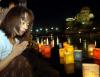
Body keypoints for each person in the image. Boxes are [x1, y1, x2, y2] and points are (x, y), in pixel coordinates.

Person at [0, 6, 34, 77]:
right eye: (23, 23)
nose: (26, 27)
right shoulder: (1, 37)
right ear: (13, 19)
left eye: (27, 24)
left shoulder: (16, 41)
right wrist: (14, 54)